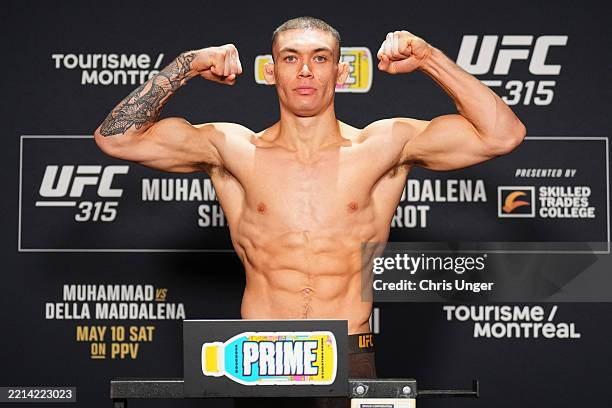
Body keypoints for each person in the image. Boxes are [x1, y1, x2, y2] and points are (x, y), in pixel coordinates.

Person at [93, 16, 525, 402]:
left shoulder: (384, 145)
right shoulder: (231, 148)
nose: (305, 70)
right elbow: (116, 139)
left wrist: (428, 58)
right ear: (270, 71)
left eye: (320, 58)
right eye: (290, 58)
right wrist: (188, 64)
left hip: (349, 353)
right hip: (260, 356)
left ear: (340, 72)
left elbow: (502, 135)